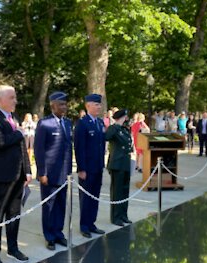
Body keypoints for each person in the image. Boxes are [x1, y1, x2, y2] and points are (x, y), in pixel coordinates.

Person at [0, 85, 32, 263]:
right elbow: (0, 142)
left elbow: (22, 149)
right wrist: (19, 133)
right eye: (12, 97)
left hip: (18, 176)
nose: (15, 101)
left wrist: (27, 170)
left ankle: (13, 247)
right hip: (0, 176)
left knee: (14, 214)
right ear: (0, 99)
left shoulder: (14, 118)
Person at [34, 91, 72, 251]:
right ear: (52, 105)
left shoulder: (67, 123)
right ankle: (49, 236)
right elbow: (39, 150)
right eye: (61, 104)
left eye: (65, 104)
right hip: (49, 174)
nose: (64, 107)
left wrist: (69, 170)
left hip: (64, 173)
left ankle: (58, 233)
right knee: (49, 206)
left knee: (61, 205)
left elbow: (68, 148)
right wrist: (42, 172)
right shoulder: (45, 124)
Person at [74, 93, 106, 238]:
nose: (99, 106)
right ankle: (84, 225)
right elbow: (79, 148)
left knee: (95, 197)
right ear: (88, 106)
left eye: (99, 104)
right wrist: (81, 168)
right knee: (86, 198)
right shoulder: (82, 123)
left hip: (98, 166)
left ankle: (92, 223)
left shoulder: (99, 123)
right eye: (96, 104)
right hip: (87, 168)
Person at [105, 109, 134, 226]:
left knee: (124, 191)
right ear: (122, 117)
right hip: (117, 164)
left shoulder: (124, 130)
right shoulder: (114, 128)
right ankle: (116, 217)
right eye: (125, 116)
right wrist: (116, 124)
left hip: (125, 163)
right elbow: (107, 137)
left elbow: (129, 145)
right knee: (117, 192)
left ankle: (123, 215)